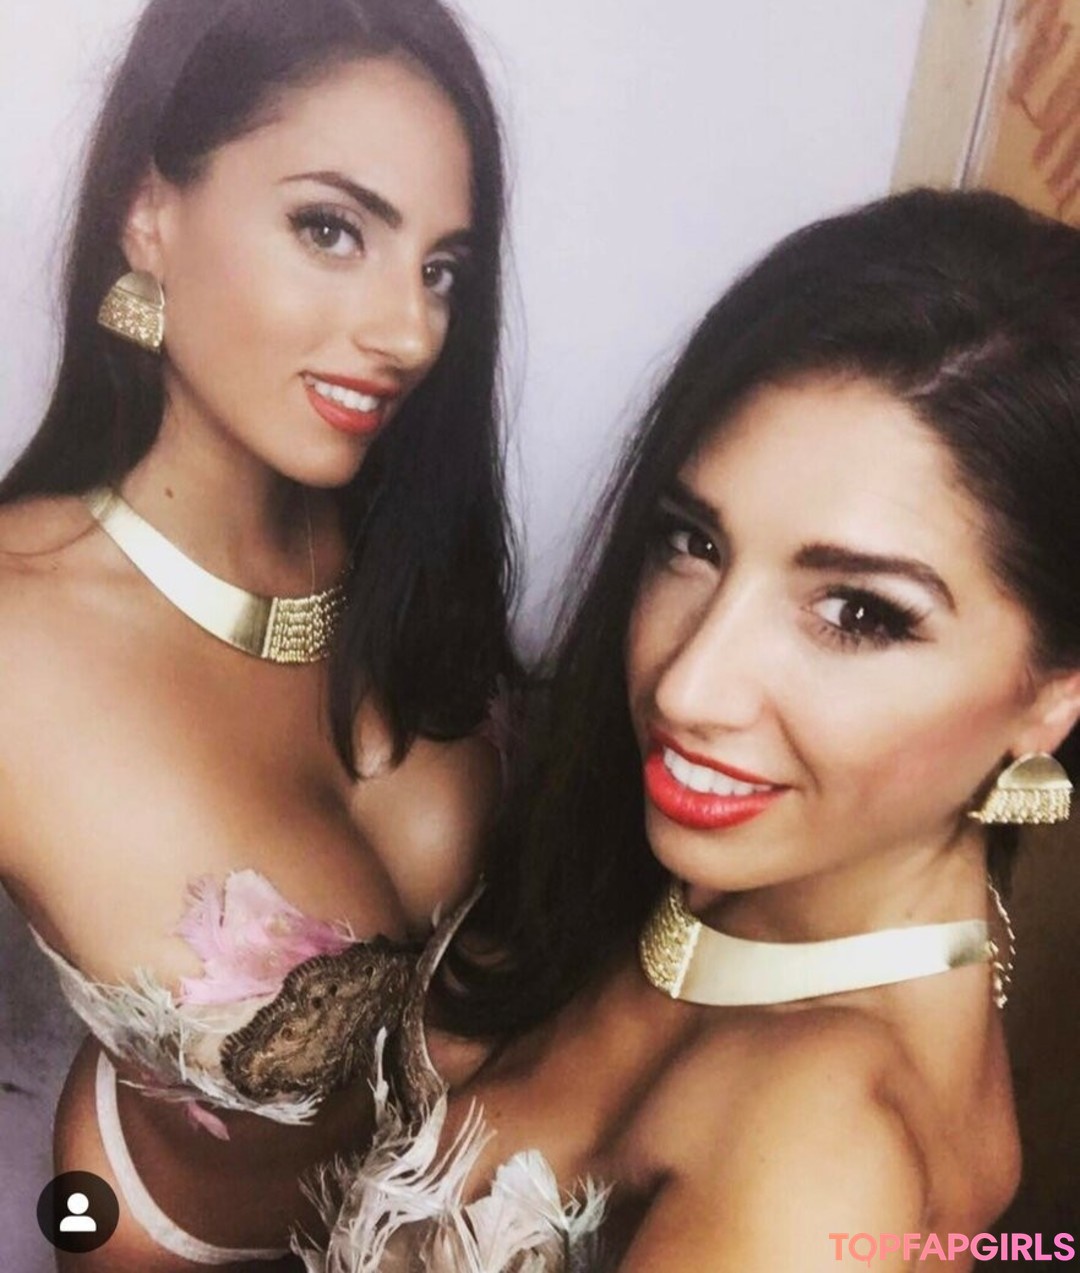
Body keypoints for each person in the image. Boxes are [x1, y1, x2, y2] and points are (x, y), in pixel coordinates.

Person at [297, 189, 1080, 1271]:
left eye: (859, 613)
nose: (687, 686)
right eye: (693, 542)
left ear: (1052, 697)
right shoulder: (741, 879)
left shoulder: (818, 1155)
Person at [0, 0, 516, 1268]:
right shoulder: (17, 624)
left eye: (442, 268)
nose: (412, 332)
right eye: (331, 229)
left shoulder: (414, 547)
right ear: (148, 215)